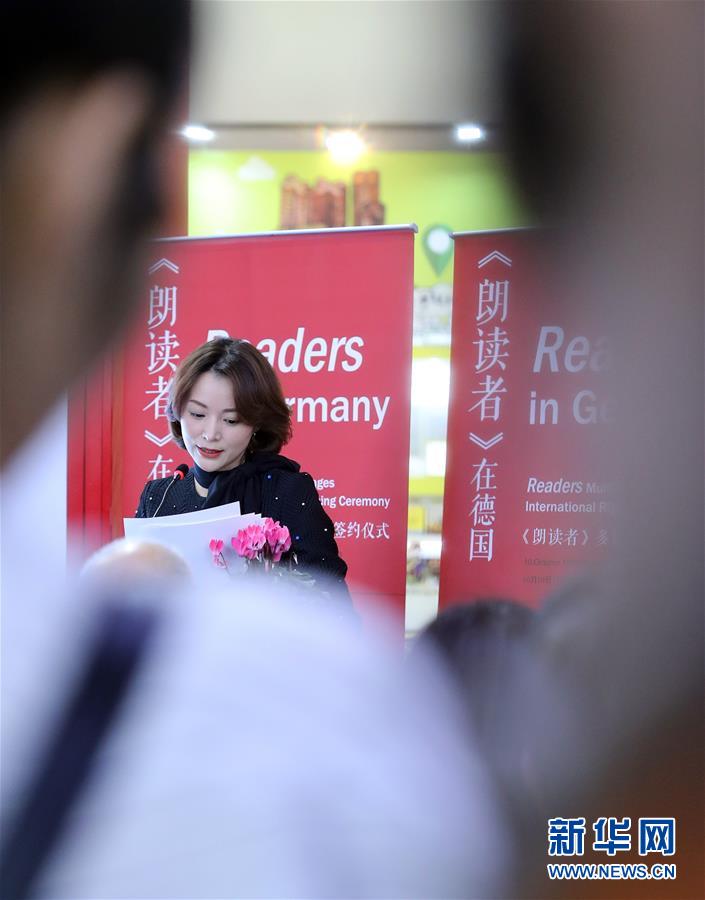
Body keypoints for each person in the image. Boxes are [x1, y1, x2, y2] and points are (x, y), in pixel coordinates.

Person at [135, 336, 350, 594]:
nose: (211, 434)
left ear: (257, 422)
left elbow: (329, 600)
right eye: (197, 414)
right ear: (177, 411)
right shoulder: (158, 498)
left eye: (231, 420)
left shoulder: (286, 493)